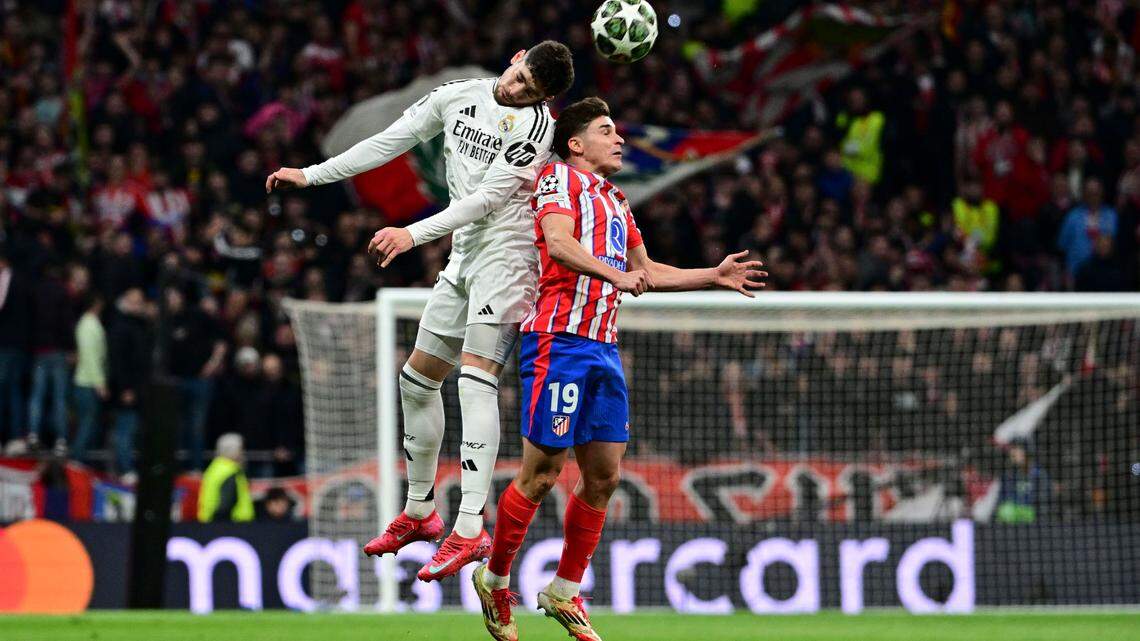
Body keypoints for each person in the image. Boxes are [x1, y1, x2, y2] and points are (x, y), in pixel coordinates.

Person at [266, 41, 575, 580]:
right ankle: (420, 511)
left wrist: (411, 234)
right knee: (416, 380)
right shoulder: (459, 95)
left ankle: (471, 526)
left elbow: (484, 203)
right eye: (520, 75)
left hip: (509, 255)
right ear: (515, 57)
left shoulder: (536, 132)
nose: (517, 88)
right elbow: (391, 140)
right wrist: (312, 174)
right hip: (465, 252)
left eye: (532, 89)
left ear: (544, 97)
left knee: (475, 381)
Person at [471, 97, 766, 641]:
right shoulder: (558, 179)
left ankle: (563, 590)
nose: (620, 138)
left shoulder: (617, 200)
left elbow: (646, 271)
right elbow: (558, 245)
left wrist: (711, 275)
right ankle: (494, 578)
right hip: (557, 342)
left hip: (603, 349)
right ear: (577, 143)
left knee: (605, 477)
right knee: (541, 474)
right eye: (607, 130)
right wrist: (613, 274)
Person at [71, 295, 108, 463]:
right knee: (87, 424)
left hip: (87, 381)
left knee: (88, 424)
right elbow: (90, 356)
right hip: (87, 382)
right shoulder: (88, 325)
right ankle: (76, 460)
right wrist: (99, 382)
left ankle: (81, 460)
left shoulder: (89, 324)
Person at [198, 432, 254, 523]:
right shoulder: (230, 471)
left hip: (210, 522)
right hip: (233, 525)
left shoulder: (214, 468)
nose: (243, 453)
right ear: (232, 450)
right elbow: (226, 504)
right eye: (241, 449)